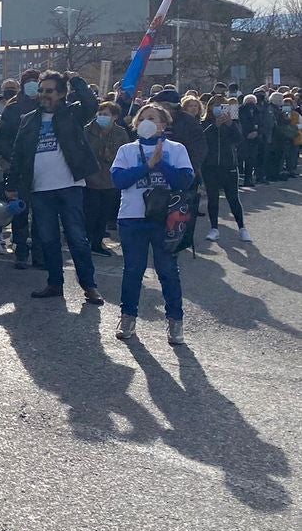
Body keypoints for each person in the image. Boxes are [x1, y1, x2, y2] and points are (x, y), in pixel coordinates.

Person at [5, 71, 104, 304]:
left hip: (70, 185)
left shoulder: (72, 113)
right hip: (40, 189)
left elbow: (91, 104)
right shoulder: (29, 119)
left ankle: (89, 286)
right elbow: (18, 154)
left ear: (61, 94)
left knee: (77, 237)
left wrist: (76, 80)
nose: (43, 95)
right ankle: (54, 283)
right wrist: (11, 185)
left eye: (49, 91)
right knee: (47, 239)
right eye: (41, 90)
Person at [110, 105, 195, 344]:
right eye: (143, 119)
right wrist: (147, 165)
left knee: (167, 270)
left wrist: (161, 164)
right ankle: (127, 317)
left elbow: (185, 181)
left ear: (163, 124)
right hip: (132, 218)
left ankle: (175, 321)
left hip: (165, 219)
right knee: (133, 270)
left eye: (153, 119)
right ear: (136, 124)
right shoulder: (126, 150)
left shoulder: (176, 149)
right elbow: (118, 180)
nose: (147, 122)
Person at [0, 70, 43, 264]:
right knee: (20, 211)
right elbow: (2, 138)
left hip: (44, 167)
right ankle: (21, 252)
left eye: (35, 81)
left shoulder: (47, 105)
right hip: (20, 168)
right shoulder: (13, 108)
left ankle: (39, 254)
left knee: (41, 214)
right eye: (28, 81)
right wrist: (14, 157)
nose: (31, 84)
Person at [83, 102, 130, 256]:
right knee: (90, 211)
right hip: (90, 178)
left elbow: (125, 153)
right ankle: (87, 240)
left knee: (103, 213)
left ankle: (96, 243)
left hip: (110, 179)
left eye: (106, 114)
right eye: (100, 113)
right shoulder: (88, 130)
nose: (102, 117)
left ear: (115, 117)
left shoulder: (120, 133)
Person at [201, 94, 249, 243]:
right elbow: (202, 138)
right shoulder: (204, 123)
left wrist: (229, 124)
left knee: (233, 198)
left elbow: (239, 140)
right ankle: (214, 228)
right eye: (215, 105)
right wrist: (215, 125)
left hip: (229, 165)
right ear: (209, 107)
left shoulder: (233, 122)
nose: (218, 108)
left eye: (221, 105)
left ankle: (242, 228)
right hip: (210, 166)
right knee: (213, 198)